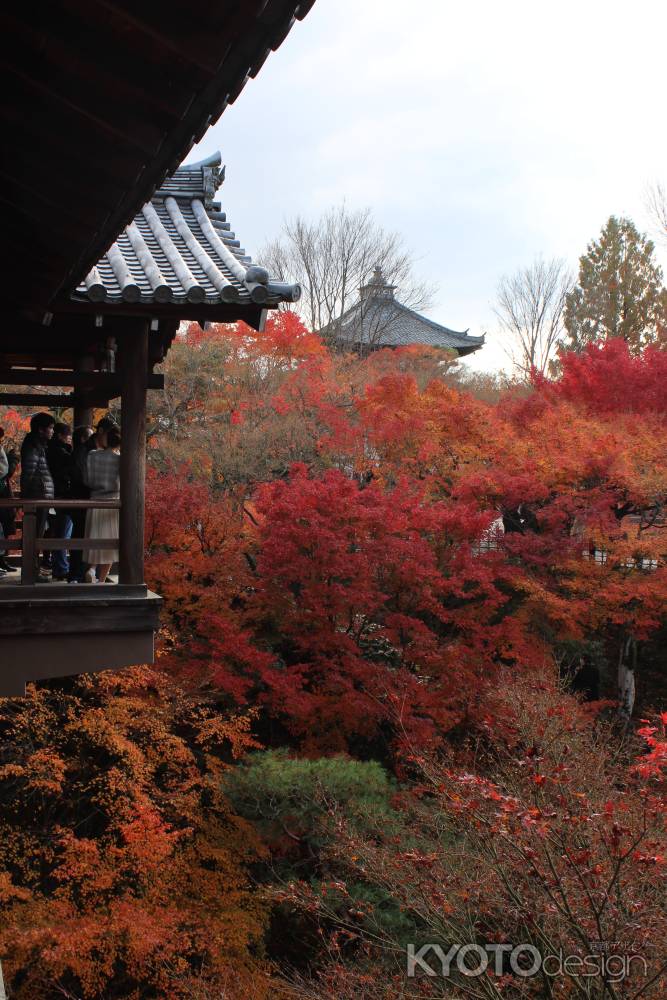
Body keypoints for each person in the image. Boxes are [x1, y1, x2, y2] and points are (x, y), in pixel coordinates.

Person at [20, 413, 55, 580]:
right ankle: (31, 573)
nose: (52, 431)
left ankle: (33, 570)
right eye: (50, 428)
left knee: (37, 534)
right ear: (41, 430)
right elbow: (29, 472)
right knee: (35, 535)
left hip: (40, 494)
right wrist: (28, 496)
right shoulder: (33, 445)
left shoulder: (38, 444)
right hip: (37, 495)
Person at [84, 426, 120, 584]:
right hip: (112, 502)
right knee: (110, 544)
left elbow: (86, 480)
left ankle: (91, 569)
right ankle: (102, 581)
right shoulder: (120, 460)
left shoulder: (92, 455)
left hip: (94, 500)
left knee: (95, 537)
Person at [47, 422, 75, 581]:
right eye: (68, 435)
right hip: (62, 495)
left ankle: (59, 566)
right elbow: (67, 471)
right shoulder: (60, 452)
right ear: (60, 435)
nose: (69, 438)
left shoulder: (48, 449)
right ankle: (61, 568)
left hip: (53, 495)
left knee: (58, 532)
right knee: (63, 533)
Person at [68, 425, 94, 583]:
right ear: (83, 438)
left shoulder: (78, 452)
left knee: (79, 535)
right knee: (81, 536)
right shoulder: (82, 453)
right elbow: (82, 477)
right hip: (81, 499)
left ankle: (78, 573)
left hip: (78, 498)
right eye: (90, 436)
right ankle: (77, 574)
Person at [0, 428, 19, 576]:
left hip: (3, 494)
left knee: (3, 529)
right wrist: (12, 459)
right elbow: (5, 470)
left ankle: (1, 561)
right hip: (2, 494)